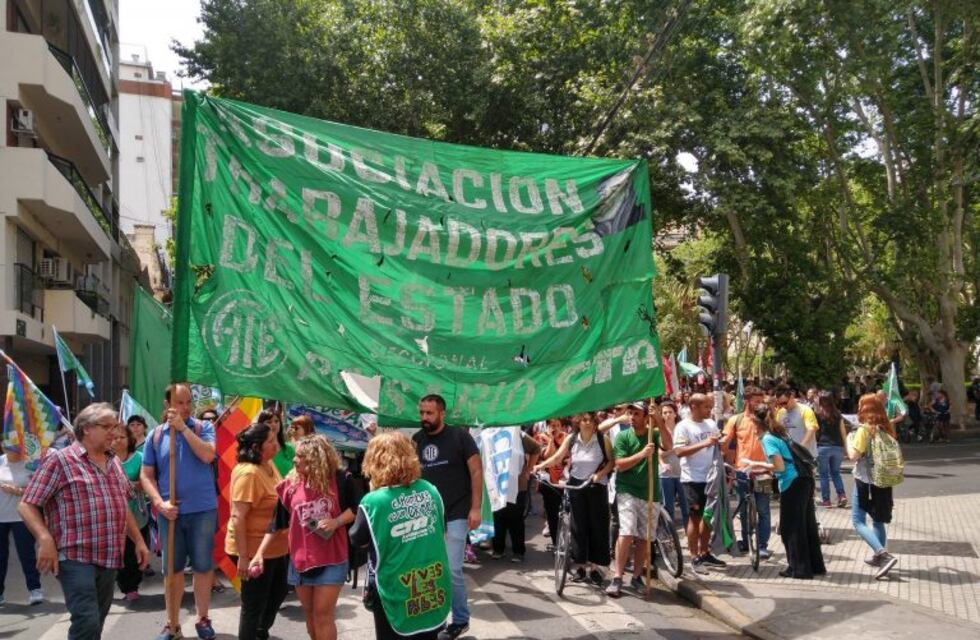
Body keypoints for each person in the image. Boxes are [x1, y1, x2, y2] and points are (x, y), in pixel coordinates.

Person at [19, 403, 150, 639]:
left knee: (96, 620)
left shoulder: (114, 462)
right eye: (107, 426)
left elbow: (122, 506)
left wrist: (139, 541)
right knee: (86, 619)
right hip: (74, 557)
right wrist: (45, 538)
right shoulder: (60, 461)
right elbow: (27, 503)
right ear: (87, 428)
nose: (114, 432)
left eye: (115, 426)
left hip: (110, 555)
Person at [253, 435, 358, 640]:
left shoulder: (340, 479)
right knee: (310, 615)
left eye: (300, 456)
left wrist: (336, 522)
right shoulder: (290, 485)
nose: (294, 460)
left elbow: (357, 508)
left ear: (315, 458)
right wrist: (259, 554)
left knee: (322, 615)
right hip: (300, 561)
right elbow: (276, 524)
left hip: (332, 559)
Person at [352, 432, 450, 640]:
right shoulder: (430, 490)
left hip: (395, 589)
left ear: (374, 462)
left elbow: (357, 539)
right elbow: (442, 530)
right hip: (432, 587)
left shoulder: (373, 502)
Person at [141, 383, 219, 640]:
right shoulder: (155, 436)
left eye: (188, 403)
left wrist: (183, 429)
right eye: (180, 403)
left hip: (203, 510)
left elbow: (208, 455)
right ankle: (171, 623)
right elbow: (147, 475)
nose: (185, 408)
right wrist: (159, 503)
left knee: (202, 566)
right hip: (170, 512)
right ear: (167, 405)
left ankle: (202, 617)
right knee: (171, 570)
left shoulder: (203, 427)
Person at [412, 395, 482, 640]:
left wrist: (476, 508)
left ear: (442, 413)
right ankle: (434, 619)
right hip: (427, 517)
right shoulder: (417, 440)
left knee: (451, 569)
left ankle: (460, 619)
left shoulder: (460, 437)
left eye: (429, 413)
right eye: (422, 413)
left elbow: (476, 471)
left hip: (456, 512)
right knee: (429, 571)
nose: (424, 418)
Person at [743, 404, 825, 580]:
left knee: (791, 528)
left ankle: (799, 569)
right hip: (805, 478)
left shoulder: (767, 439)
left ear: (756, 424)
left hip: (792, 482)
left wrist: (756, 464)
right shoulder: (780, 433)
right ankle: (815, 566)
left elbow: (779, 466)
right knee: (807, 524)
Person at [225, 422, 289, 640]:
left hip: (275, 548)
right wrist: (244, 557)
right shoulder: (249, 473)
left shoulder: (269, 465)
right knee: (253, 605)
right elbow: (238, 516)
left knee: (279, 591)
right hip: (252, 551)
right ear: (255, 447)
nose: (275, 444)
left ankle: (260, 632)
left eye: (274, 439)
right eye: (270, 442)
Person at [536, 412, 613, 587]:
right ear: (578, 422)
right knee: (578, 526)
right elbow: (557, 457)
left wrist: (599, 474)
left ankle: (594, 568)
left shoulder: (602, 440)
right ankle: (580, 567)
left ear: (595, 423)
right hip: (576, 484)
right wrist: (540, 465)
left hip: (596, 486)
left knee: (597, 526)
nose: (587, 423)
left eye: (591, 420)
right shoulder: (572, 439)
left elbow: (611, 462)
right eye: (584, 420)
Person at [606, 401, 659, 597]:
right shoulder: (622, 436)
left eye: (636, 414)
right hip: (627, 490)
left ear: (646, 417)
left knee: (644, 537)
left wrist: (660, 420)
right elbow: (620, 464)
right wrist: (642, 454)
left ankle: (636, 576)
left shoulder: (654, 433)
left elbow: (670, 446)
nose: (632, 417)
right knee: (626, 532)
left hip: (651, 492)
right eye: (630, 414)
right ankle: (618, 577)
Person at [847, 394, 899, 579]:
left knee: (858, 521)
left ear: (865, 409)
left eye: (860, 404)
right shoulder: (886, 428)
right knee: (877, 520)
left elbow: (854, 455)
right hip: (884, 480)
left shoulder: (864, 430)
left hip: (865, 481)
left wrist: (848, 439)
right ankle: (879, 556)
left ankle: (883, 555)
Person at [672, 393, 724, 574]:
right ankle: (694, 557)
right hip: (692, 479)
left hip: (710, 478)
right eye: (706, 407)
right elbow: (679, 451)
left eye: (710, 407)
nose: (709, 410)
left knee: (708, 516)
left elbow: (717, 444)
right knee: (695, 517)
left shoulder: (711, 424)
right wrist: (704, 443)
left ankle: (705, 552)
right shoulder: (683, 427)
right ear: (694, 406)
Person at [720, 386, 772, 560]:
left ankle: (763, 545)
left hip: (764, 471)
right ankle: (745, 539)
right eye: (756, 401)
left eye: (761, 401)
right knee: (744, 508)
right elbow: (725, 442)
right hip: (742, 472)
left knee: (763, 510)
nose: (759, 405)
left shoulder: (767, 419)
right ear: (747, 401)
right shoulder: (736, 420)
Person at [110, 422, 150, 602]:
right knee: (121, 552)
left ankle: (134, 583)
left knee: (137, 550)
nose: (118, 441)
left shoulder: (140, 457)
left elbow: (146, 480)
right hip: (113, 515)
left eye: (122, 437)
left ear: (129, 439)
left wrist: (131, 486)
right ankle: (126, 587)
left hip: (137, 513)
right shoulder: (105, 459)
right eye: (114, 438)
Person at [0, 445, 42, 606]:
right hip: (1, 517)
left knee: (27, 554)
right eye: (9, 447)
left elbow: (38, 488)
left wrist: (19, 491)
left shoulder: (30, 464)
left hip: (22, 516)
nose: (13, 451)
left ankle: (34, 589)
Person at [491, 429, 540, 563]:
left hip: (518, 484)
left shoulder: (519, 434)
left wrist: (528, 469)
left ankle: (518, 551)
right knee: (498, 516)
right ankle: (498, 549)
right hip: (497, 483)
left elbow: (536, 448)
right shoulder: (491, 432)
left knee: (515, 518)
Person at [534, 418, 568, 549]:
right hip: (548, 482)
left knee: (566, 512)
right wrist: (552, 441)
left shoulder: (566, 438)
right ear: (547, 426)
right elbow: (548, 455)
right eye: (552, 425)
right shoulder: (541, 437)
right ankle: (556, 542)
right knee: (553, 514)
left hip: (565, 480)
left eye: (558, 425)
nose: (555, 428)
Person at [814, 392, 849, 508]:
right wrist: (846, 448)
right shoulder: (837, 414)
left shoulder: (818, 414)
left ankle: (827, 501)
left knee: (824, 475)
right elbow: (843, 432)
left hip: (823, 447)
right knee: (836, 473)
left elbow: (814, 431)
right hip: (837, 447)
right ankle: (841, 495)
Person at [658, 402, 688, 527]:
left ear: (676, 414)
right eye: (665, 412)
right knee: (668, 508)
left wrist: (671, 450)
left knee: (687, 508)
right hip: (665, 475)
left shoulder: (682, 429)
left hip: (683, 474)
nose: (668, 415)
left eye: (670, 412)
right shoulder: (658, 431)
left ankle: (690, 535)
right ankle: (669, 538)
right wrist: (674, 450)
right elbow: (659, 454)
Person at [775, 386, 818, 455]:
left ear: (792, 397)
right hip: (788, 455)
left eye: (784, 403)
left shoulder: (805, 410)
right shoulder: (780, 412)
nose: (783, 406)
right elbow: (777, 430)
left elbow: (811, 429)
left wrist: (800, 448)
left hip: (805, 456)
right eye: (780, 404)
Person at [258, 408, 295, 478]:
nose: (274, 424)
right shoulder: (257, 451)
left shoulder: (289, 448)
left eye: (276, 421)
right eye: (269, 422)